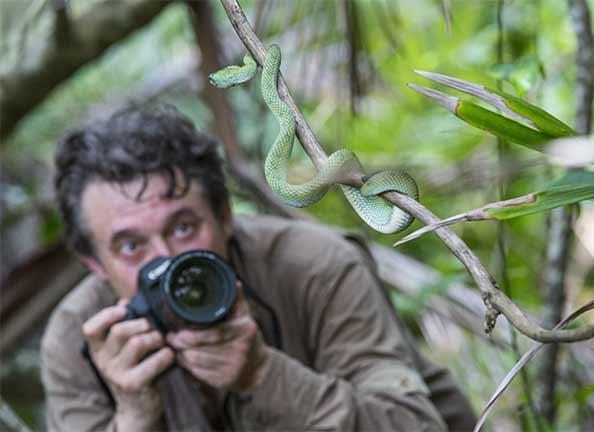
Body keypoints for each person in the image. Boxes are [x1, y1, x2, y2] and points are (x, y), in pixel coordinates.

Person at [41, 104, 477, 431]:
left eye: (184, 227)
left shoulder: (316, 266)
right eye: (132, 245)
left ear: (226, 216)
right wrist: (133, 417)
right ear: (94, 263)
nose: (168, 261)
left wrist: (263, 375)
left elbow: (414, 425)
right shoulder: (79, 338)